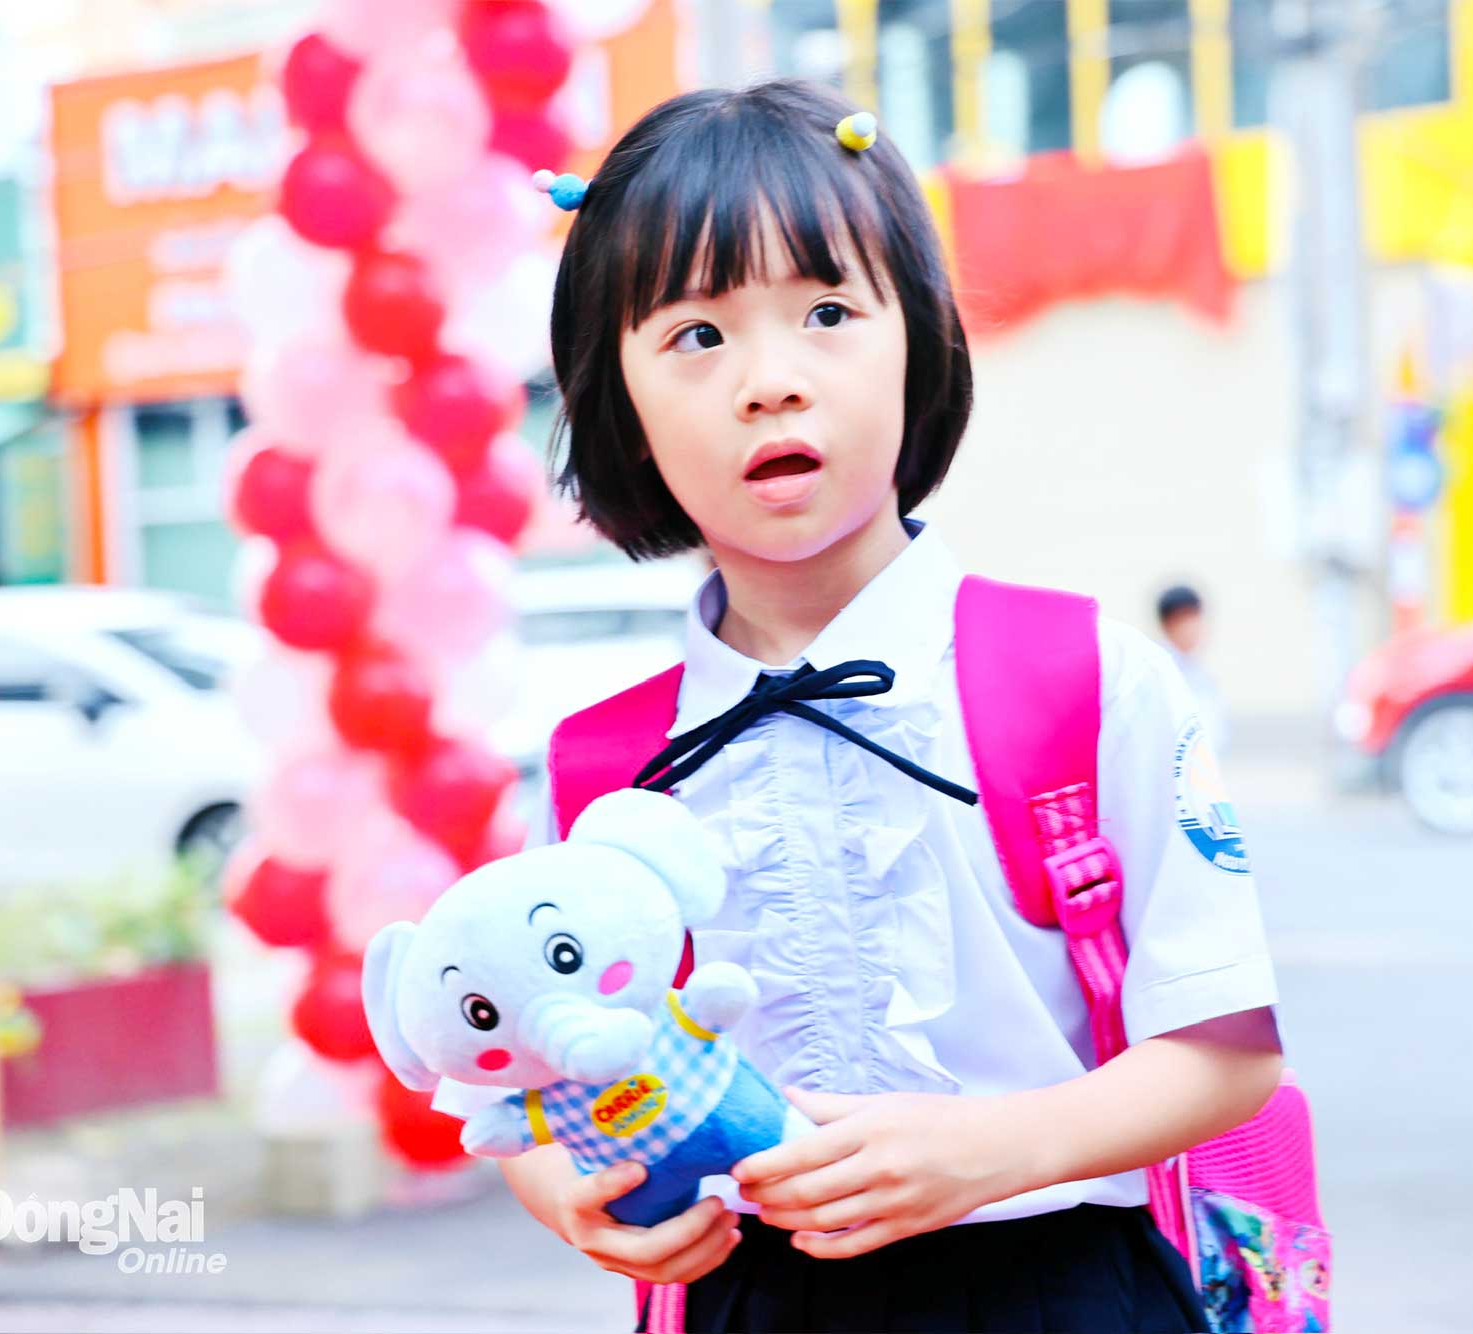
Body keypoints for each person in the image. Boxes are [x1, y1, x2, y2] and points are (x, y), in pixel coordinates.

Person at [482, 81, 1283, 1332]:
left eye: (826, 311)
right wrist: (561, 1189)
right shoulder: (597, 769)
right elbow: (523, 1059)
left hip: (1060, 1283)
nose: (771, 381)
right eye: (696, 336)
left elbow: (1230, 1052)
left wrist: (994, 1149)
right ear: (615, 396)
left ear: (915, 338)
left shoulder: (1083, 674)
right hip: (748, 1298)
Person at [1157, 584, 1229, 754]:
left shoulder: (1200, 673)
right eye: (1184, 620)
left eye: (1196, 618)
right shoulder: (1159, 670)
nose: (1193, 628)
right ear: (1168, 624)